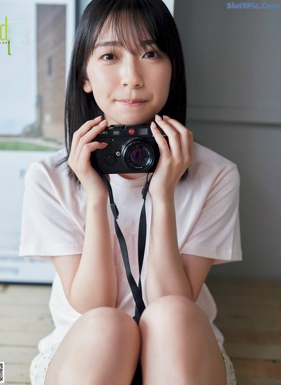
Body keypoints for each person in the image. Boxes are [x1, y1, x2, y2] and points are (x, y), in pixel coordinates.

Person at [19, 0, 242, 384]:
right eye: (109, 55)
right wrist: (95, 197)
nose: (132, 77)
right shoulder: (48, 177)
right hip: (86, 353)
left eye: (150, 53)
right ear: (84, 76)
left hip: (183, 355)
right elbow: (93, 304)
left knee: (171, 315)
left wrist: (163, 195)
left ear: (173, 69)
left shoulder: (217, 174)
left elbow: (172, 300)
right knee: (106, 325)